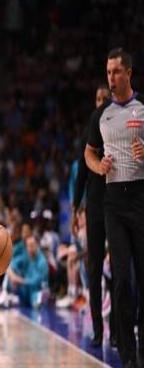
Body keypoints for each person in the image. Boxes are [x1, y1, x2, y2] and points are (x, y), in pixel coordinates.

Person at [85, 48, 144, 368]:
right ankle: (129, 358)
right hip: (114, 202)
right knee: (121, 279)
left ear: (129, 73)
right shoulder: (101, 115)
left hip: (141, 195)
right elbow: (89, 153)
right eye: (108, 72)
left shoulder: (142, 108)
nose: (111, 77)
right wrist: (98, 166)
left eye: (117, 71)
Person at [72, 85, 115, 348]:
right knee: (94, 267)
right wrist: (75, 208)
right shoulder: (89, 132)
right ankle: (98, 330)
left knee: (118, 268)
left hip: (117, 204)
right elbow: (81, 174)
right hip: (95, 206)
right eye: (97, 98)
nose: (100, 102)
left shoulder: (117, 129)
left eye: (105, 98)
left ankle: (118, 330)